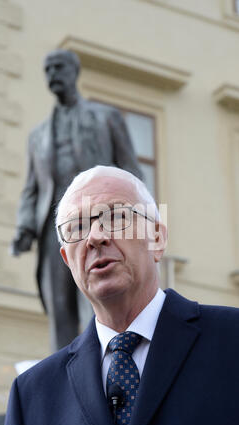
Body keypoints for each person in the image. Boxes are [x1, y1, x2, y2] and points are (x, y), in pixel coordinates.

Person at [2, 165, 239, 425]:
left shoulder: (232, 341)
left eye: (115, 217)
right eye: (77, 227)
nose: (95, 237)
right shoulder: (32, 394)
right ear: (67, 259)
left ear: (157, 237)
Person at [10, 49, 142, 352]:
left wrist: (137, 217)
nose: (52, 74)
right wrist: (24, 227)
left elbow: (131, 170)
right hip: (54, 231)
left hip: (99, 221)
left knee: (99, 295)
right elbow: (32, 187)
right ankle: (65, 372)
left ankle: (103, 360)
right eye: (47, 69)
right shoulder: (38, 135)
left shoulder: (105, 117)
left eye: (58, 67)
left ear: (74, 72)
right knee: (59, 307)